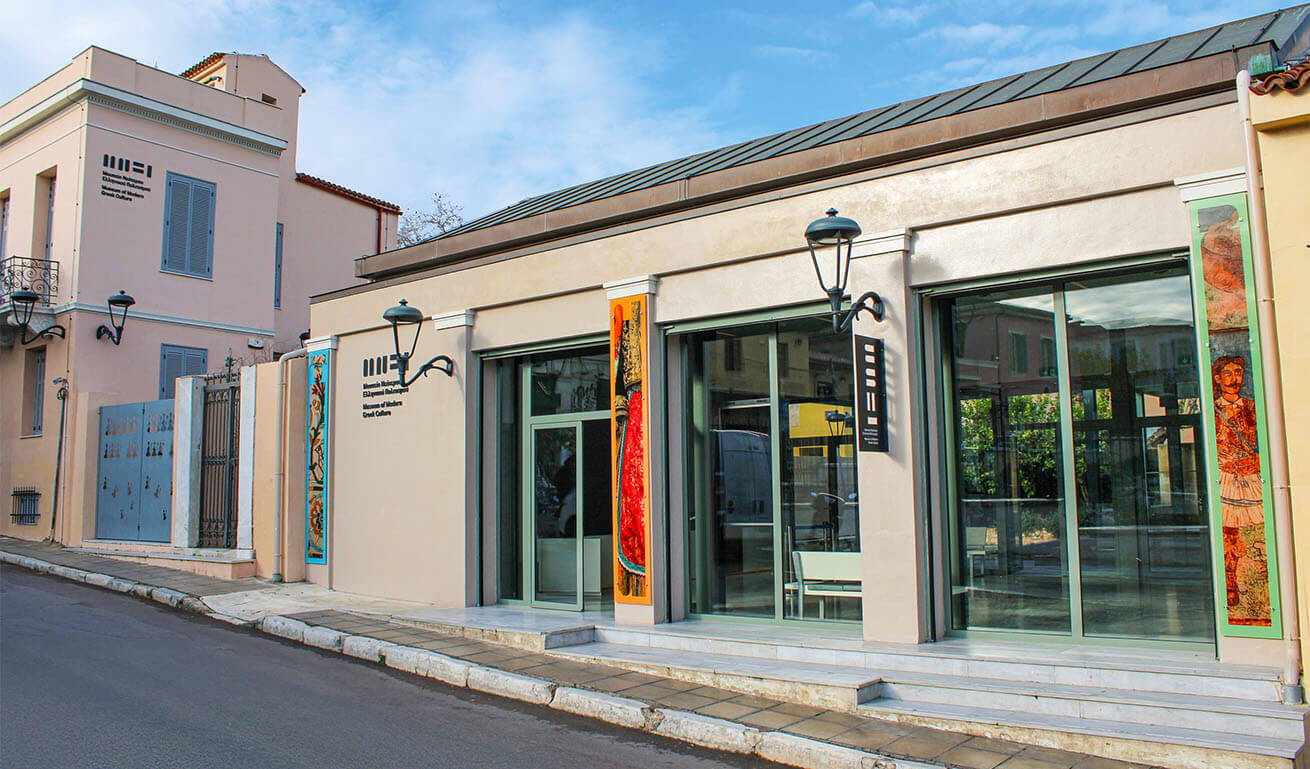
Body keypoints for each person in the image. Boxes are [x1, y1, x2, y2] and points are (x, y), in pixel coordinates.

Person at [1212, 355, 1266, 619]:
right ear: (1217, 377)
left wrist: (1256, 459)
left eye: (1239, 372)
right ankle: (1231, 583)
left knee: (1257, 531)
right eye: (1229, 373)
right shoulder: (1213, 410)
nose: (1235, 379)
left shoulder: (1252, 407)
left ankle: (1258, 583)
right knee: (1229, 533)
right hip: (1227, 478)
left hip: (1252, 477)